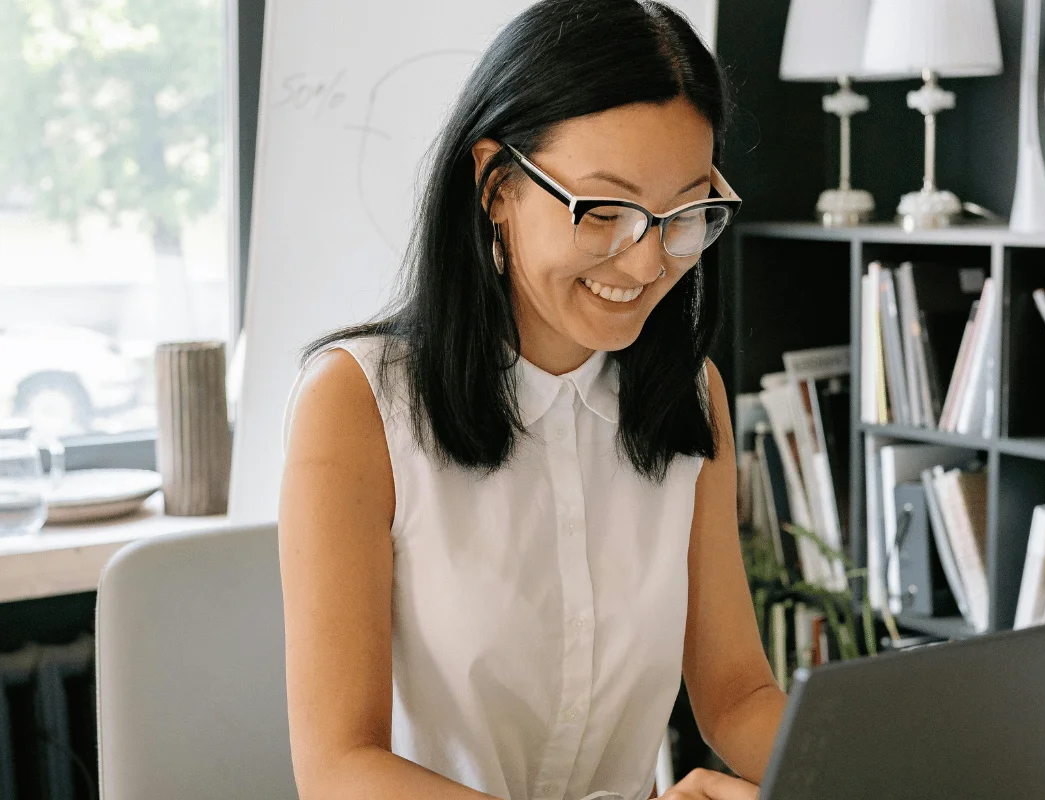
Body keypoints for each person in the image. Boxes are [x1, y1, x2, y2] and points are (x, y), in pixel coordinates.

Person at [278, 1, 787, 798]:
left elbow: (736, 696)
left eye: (685, 214)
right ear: (496, 185)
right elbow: (339, 770)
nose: (649, 260)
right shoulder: (358, 403)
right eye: (604, 210)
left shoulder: (691, 397)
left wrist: (873, 779)